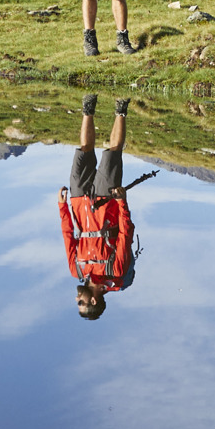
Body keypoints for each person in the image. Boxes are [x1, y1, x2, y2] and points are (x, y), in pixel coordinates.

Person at [61, 94, 152, 318]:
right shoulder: (116, 270)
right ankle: (121, 108)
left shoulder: (77, 270)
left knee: (84, 149)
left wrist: (63, 207)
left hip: (78, 200)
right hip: (106, 202)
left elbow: (68, 235)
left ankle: (88, 107)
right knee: (113, 151)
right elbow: (125, 233)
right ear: (93, 300)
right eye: (81, 303)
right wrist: (122, 202)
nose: (77, 299)